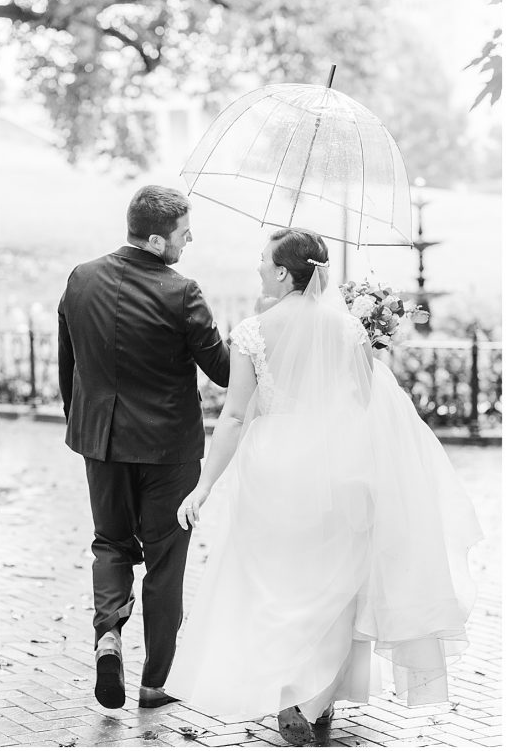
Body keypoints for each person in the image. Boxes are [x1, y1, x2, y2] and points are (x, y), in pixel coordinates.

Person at [164, 228, 481, 746]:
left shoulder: (251, 332)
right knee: (337, 588)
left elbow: (237, 416)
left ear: (286, 273)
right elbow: (362, 406)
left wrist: (204, 487)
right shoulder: (350, 330)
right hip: (343, 468)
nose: (258, 268)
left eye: (264, 261)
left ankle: (293, 695)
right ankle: (318, 702)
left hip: (276, 469)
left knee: (278, 585)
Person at [57, 185, 230, 710]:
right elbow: (222, 371)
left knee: (109, 544)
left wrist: (83, 423)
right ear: (157, 239)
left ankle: (107, 634)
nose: (190, 239)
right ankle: (155, 683)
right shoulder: (183, 292)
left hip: (100, 442)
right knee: (164, 563)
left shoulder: (80, 279)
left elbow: (69, 366)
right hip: (168, 451)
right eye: (183, 233)